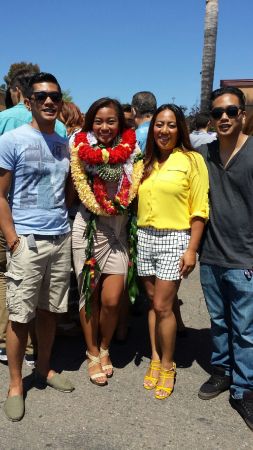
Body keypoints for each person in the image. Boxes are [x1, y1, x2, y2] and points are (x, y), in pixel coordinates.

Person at [0, 72, 74, 422]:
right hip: (27, 241)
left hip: (60, 238)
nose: (49, 101)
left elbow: (69, 192)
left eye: (55, 96)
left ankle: (43, 368)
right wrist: (13, 239)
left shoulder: (64, 144)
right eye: (41, 96)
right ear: (28, 101)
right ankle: (15, 384)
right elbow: (0, 195)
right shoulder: (12, 139)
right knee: (19, 316)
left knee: (50, 311)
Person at [137, 104, 209, 400]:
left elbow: (199, 209)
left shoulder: (191, 160)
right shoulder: (146, 162)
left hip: (175, 238)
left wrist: (192, 249)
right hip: (144, 237)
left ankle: (168, 364)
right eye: (158, 125)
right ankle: (155, 356)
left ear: (180, 128)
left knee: (165, 306)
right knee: (153, 303)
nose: (163, 131)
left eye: (170, 125)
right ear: (152, 128)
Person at [71, 97, 143, 386]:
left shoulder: (132, 151)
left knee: (112, 300)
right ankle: (93, 354)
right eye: (98, 121)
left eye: (110, 121)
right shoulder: (79, 148)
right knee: (89, 295)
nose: (104, 126)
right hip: (88, 228)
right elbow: (70, 185)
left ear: (120, 123)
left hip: (119, 229)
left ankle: (105, 345)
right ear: (91, 122)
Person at [198, 86, 253, 431]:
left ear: (242, 115)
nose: (223, 118)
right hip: (211, 255)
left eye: (230, 111)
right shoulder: (204, 154)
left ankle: (244, 389)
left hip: (245, 258)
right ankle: (222, 371)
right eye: (217, 113)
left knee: (246, 330)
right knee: (219, 322)